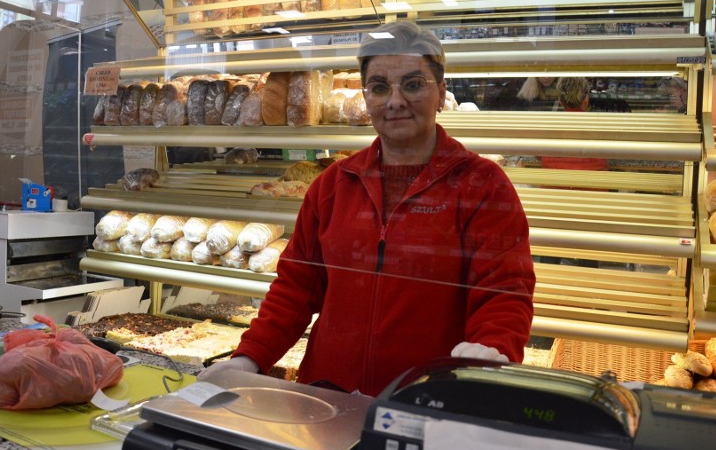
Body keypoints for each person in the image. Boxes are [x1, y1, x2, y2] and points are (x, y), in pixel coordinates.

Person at [198, 21, 536, 396]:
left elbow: (504, 292)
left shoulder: (482, 186)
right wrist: (250, 357)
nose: (394, 101)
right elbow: (296, 287)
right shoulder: (334, 183)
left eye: (412, 85)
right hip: (327, 395)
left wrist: (492, 351)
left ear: (441, 93)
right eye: (378, 87)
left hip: (428, 399)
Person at [538, 76, 606, 268]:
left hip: (553, 203)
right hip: (590, 205)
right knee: (588, 256)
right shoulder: (600, 126)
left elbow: (537, 152)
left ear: (560, 101)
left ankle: (549, 288)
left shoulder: (550, 127)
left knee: (550, 254)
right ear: (586, 99)